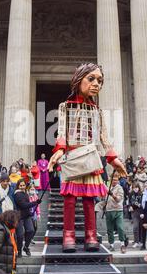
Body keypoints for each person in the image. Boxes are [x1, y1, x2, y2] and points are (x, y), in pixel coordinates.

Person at [48, 63, 127, 253]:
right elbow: (61, 133)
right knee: (69, 199)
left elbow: (104, 138)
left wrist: (112, 159)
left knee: (89, 200)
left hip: (91, 159)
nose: (96, 84)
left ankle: (91, 235)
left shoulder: (97, 111)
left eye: (99, 80)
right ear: (78, 79)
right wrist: (59, 151)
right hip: (72, 158)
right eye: (91, 79)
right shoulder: (64, 107)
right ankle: (69, 235)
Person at [13, 179, 41, 257]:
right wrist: (35, 203)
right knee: (20, 235)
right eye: (20, 185)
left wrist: (34, 205)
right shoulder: (17, 194)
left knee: (31, 230)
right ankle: (19, 251)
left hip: (27, 216)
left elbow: (27, 205)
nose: (22, 187)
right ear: (18, 186)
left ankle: (26, 247)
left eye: (23, 185)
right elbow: (23, 205)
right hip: (19, 217)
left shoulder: (25, 193)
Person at [104, 175, 127, 253]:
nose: (114, 181)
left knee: (120, 228)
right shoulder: (107, 187)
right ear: (110, 180)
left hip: (118, 210)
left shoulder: (119, 188)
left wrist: (112, 194)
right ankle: (111, 245)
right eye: (113, 180)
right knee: (109, 229)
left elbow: (118, 199)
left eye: (116, 180)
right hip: (108, 210)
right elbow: (103, 197)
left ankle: (122, 244)